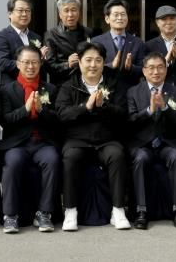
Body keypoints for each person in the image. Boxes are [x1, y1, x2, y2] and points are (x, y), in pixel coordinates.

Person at [56, 42, 131, 231]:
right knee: (70, 158)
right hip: (77, 140)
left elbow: (123, 114)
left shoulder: (114, 84)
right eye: (88, 60)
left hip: (107, 139)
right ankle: (70, 211)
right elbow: (62, 115)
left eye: (98, 60)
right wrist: (86, 107)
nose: (93, 65)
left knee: (117, 155)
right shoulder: (69, 86)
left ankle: (118, 210)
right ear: (80, 63)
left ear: (104, 63)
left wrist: (103, 106)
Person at [0, 45, 61, 233]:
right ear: (18, 64)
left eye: (35, 62)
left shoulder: (50, 89)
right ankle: (10, 215)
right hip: (17, 143)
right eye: (26, 62)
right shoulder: (6, 90)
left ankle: (44, 213)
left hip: (42, 142)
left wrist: (41, 110)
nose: (31, 66)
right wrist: (25, 110)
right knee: (13, 163)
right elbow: (5, 120)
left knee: (53, 159)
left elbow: (57, 120)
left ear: (40, 64)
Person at [126, 52, 176, 229]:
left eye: (160, 67)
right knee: (140, 159)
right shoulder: (133, 92)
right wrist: (149, 111)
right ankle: (141, 211)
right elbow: (130, 122)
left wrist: (165, 108)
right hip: (142, 143)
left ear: (166, 70)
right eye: (151, 68)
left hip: (167, 142)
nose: (156, 72)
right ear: (144, 71)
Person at [92, 0, 146, 96]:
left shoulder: (138, 42)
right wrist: (111, 65)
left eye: (123, 14)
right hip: (104, 93)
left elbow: (144, 69)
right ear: (107, 19)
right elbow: (91, 68)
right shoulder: (96, 42)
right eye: (116, 15)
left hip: (130, 94)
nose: (120, 18)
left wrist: (131, 67)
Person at [0, 0, 48, 86]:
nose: (24, 14)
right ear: (9, 14)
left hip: (36, 87)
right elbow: (3, 64)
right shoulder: (2, 36)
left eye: (27, 10)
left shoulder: (36, 37)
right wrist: (29, 61)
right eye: (20, 10)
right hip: (12, 88)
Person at [44, 0, 92, 86]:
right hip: (62, 84)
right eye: (66, 11)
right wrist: (67, 64)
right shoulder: (51, 34)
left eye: (73, 10)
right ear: (60, 14)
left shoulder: (88, 32)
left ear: (79, 12)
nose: (70, 14)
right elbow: (49, 66)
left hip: (86, 82)